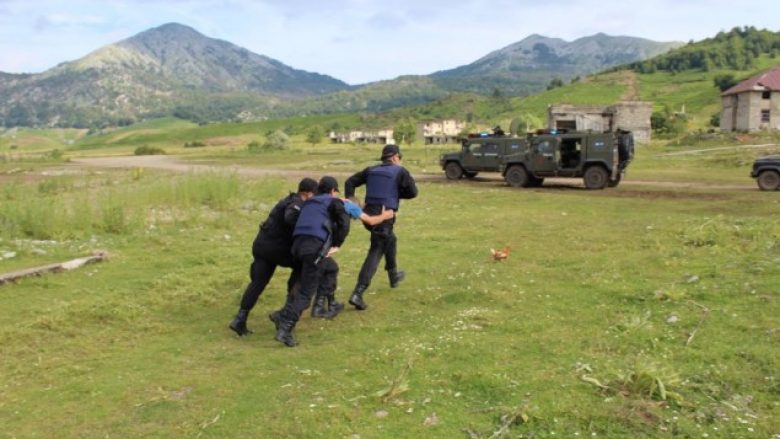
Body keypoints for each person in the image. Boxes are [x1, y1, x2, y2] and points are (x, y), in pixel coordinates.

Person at [228, 177, 318, 337]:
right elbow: (290, 217)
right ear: (308, 193)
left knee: (258, 283)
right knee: (301, 266)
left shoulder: (287, 199)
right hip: (276, 249)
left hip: (262, 245)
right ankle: (287, 312)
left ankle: (240, 319)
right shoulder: (297, 203)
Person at [274, 176, 350, 347]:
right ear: (332, 191)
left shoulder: (308, 202)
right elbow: (344, 224)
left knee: (330, 268)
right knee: (306, 293)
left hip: (297, 246)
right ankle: (285, 327)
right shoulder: (333, 201)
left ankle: (323, 305)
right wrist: (337, 244)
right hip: (313, 248)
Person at [344, 144, 418, 311]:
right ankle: (358, 292)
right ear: (394, 157)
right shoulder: (400, 171)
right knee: (376, 250)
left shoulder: (371, 170)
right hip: (383, 216)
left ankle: (393, 275)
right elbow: (413, 193)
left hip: (367, 213)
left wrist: (352, 201)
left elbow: (350, 182)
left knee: (391, 239)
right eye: (399, 158)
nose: (400, 161)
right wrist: (398, 193)